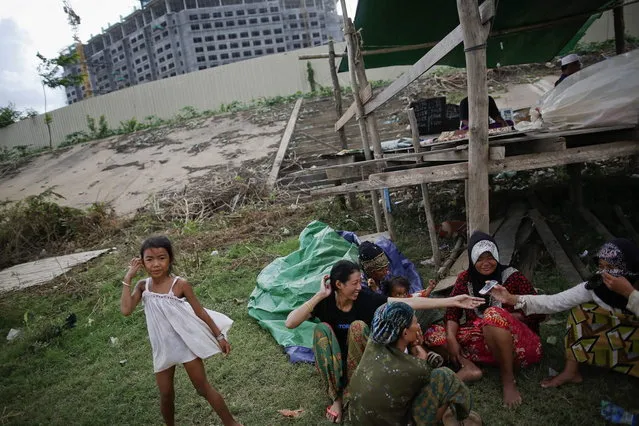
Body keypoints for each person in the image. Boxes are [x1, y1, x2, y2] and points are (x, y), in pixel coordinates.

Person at [285, 260, 484, 423]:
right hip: (338, 359)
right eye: (354, 283)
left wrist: (452, 300)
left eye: (359, 282)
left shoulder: (364, 298)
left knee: (358, 327)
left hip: (363, 360)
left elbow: (406, 302)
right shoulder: (325, 302)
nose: (358, 287)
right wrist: (319, 295)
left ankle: (352, 391)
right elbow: (290, 322)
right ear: (339, 285)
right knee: (321, 330)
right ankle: (337, 398)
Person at [120, 236, 241, 426]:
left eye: (161, 258)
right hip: (162, 348)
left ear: (170, 259)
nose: (156, 264)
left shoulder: (180, 284)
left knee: (202, 388)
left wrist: (219, 335)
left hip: (186, 345)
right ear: (141, 262)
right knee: (166, 394)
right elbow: (126, 310)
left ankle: (231, 423)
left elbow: (200, 312)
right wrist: (128, 278)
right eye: (149, 259)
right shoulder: (143, 286)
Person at [490, 238, 639, 388]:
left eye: (612, 268)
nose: (606, 274)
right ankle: (571, 372)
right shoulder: (597, 285)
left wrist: (629, 293)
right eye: (601, 266)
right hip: (621, 333)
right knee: (582, 313)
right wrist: (512, 298)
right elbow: (554, 302)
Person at [424, 231, 544, 408]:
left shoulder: (512, 277)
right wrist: (451, 338)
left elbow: (539, 311)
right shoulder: (465, 279)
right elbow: (452, 312)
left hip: (518, 347)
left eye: (490, 257)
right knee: (433, 333)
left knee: (492, 315)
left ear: (496, 256)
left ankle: (508, 379)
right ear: (472, 260)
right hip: (482, 341)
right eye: (479, 258)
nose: (485, 263)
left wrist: (507, 318)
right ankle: (469, 367)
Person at [349, 302, 482, 426]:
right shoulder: (415, 368)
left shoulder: (373, 343)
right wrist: (419, 348)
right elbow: (426, 379)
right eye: (416, 322)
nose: (418, 326)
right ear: (405, 333)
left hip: (357, 419)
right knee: (445, 376)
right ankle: (462, 416)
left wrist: (412, 346)